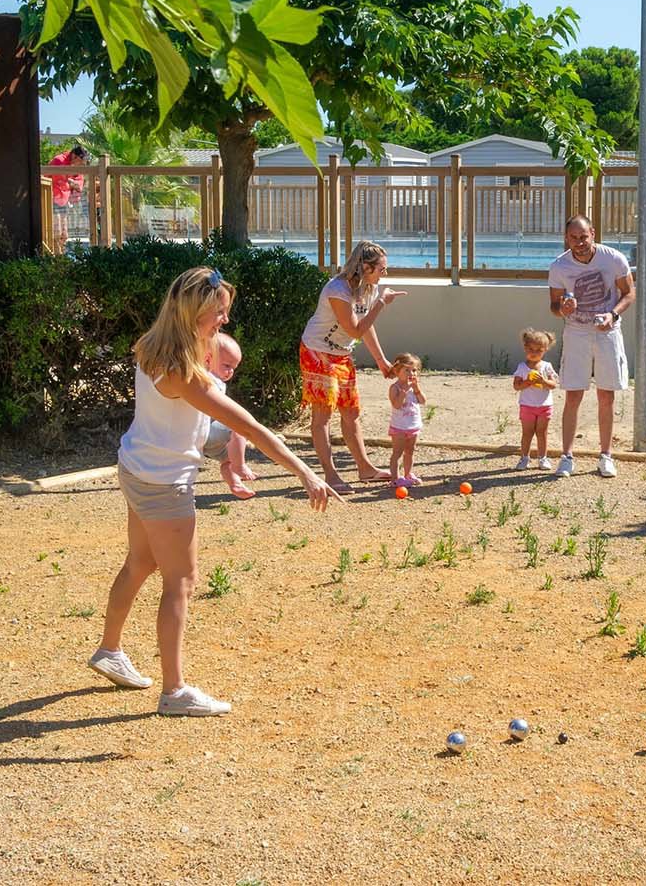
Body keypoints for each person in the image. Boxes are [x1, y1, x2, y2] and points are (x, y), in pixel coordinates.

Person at [90, 267, 339, 717]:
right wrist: (306, 472)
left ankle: (109, 650)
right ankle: (174, 691)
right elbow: (253, 428)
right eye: (219, 313)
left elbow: (190, 423)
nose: (225, 320)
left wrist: (226, 458)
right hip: (164, 484)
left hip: (136, 467)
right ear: (194, 313)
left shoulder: (150, 346)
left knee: (140, 562)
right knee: (181, 581)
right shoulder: (188, 375)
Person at [299, 241, 406, 495]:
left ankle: (365, 468)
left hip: (341, 354)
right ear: (366, 267)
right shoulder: (338, 289)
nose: (384, 274)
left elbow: (365, 326)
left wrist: (381, 360)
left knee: (351, 412)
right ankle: (330, 474)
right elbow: (355, 330)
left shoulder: (369, 288)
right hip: (317, 351)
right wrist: (381, 303)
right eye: (381, 269)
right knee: (322, 415)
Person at [547, 216, 635, 478]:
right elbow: (553, 306)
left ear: (593, 233)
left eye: (583, 236)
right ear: (567, 239)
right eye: (574, 238)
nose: (579, 243)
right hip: (576, 332)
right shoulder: (559, 266)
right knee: (573, 395)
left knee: (606, 395)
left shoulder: (613, 259)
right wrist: (563, 309)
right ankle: (566, 457)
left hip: (608, 332)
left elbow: (629, 293)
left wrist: (613, 314)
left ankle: (606, 455)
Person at [204, 332, 256, 500]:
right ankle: (239, 466)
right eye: (226, 365)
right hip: (207, 430)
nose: (230, 372)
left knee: (227, 460)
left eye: (233, 368)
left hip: (206, 437)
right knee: (238, 426)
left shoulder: (210, 378)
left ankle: (235, 483)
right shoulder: (208, 378)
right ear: (208, 359)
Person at [512, 328, 559, 470]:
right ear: (525, 348)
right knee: (527, 433)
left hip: (545, 406)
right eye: (531, 349)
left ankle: (542, 458)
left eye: (539, 350)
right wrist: (527, 382)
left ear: (545, 350)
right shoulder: (522, 367)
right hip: (527, 406)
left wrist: (543, 381)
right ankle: (524, 458)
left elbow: (553, 385)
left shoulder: (547, 366)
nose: (534, 352)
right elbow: (516, 386)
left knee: (542, 433)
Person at [386, 353, 426, 487]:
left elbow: (423, 401)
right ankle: (395, 479)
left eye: (414, 370)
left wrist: (417, 389)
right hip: (399, 427)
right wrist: (403, 392)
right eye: (407, 370)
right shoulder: (395, 388)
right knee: (397, 453)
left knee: (410, 451)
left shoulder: (414, 388)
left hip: (413, 426)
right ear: (397, 371)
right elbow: (396, 405)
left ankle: (408, 474)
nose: (411, 373)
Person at [48, 145, 89, 243]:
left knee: (64, 233)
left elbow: (79, 184)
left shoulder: (76, 166)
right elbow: (59, 181)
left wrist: (72, 182)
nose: (81, 165)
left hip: (63, 200)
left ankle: (61, 251)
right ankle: (55, 251)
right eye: (80, 162)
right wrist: (71, 182)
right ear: (74, 156)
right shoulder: (59, 161)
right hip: (51, 197)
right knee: (56, 231)